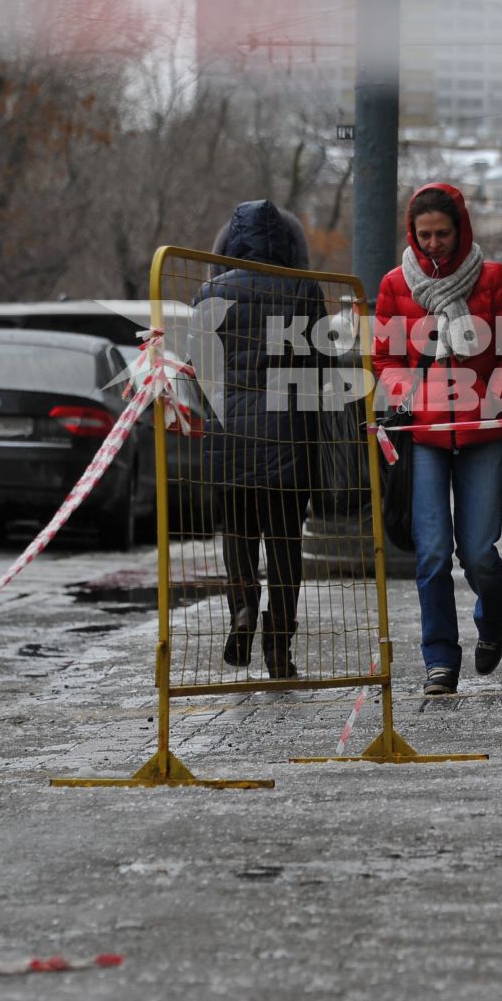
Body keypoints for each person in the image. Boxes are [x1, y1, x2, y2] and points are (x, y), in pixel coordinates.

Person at [372, 182, 502, 696]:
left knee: (479, 550)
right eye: (424, 235)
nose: (433, 243)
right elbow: (385, 359)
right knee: (433, 552)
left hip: (482, 430)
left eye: (442, 233)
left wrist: (495, 392)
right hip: (424, 434)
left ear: (460, 230)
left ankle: (493, 618)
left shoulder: (495, 278)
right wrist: (408, 394)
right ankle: (440, 659)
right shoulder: (396, 284)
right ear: (412, 236)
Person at [196, 200, 321, 680]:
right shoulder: (303, 289)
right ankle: (279, 644)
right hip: (287, 439)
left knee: (239, 535)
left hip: (228, 438)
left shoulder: (208, 292)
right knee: (286, 543)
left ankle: (242, 608)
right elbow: (315, 371)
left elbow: (202, 370)